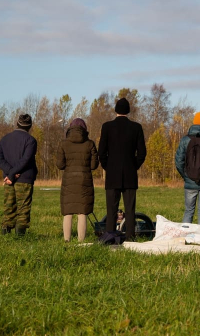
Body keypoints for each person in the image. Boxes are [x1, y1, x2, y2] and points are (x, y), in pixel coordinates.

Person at [98, 97, 147, 241]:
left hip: (112, 174)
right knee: (130, 209)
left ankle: (110, 236)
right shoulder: (136, 127)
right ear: (129, 111)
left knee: (111, 209)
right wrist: (134, 166)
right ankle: (130, 238)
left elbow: (102, 152)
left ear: (116, 110)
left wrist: (108, 167)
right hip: (130, 174)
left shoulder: (107, 127)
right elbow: (142, 153)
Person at [0, 113, 38, 235]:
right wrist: (13, 173)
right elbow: (26, 160)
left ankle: (5, 234)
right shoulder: (31, 140)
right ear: (30, 126)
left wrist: (10, 173)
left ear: (17, 123)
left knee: (8, 207)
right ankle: (20, 237)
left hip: (8, 179)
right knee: (23, 208)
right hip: (24, 178)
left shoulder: (5, 139)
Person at [56, 118, 99, 242]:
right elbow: (93, 166)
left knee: (68, 212)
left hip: (69, 180)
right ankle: (81, 241)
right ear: (84, 129)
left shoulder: (63, 144)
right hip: (84, 181)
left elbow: (60, 165)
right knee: (82, 212)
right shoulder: (90, 144)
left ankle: (66, 240)